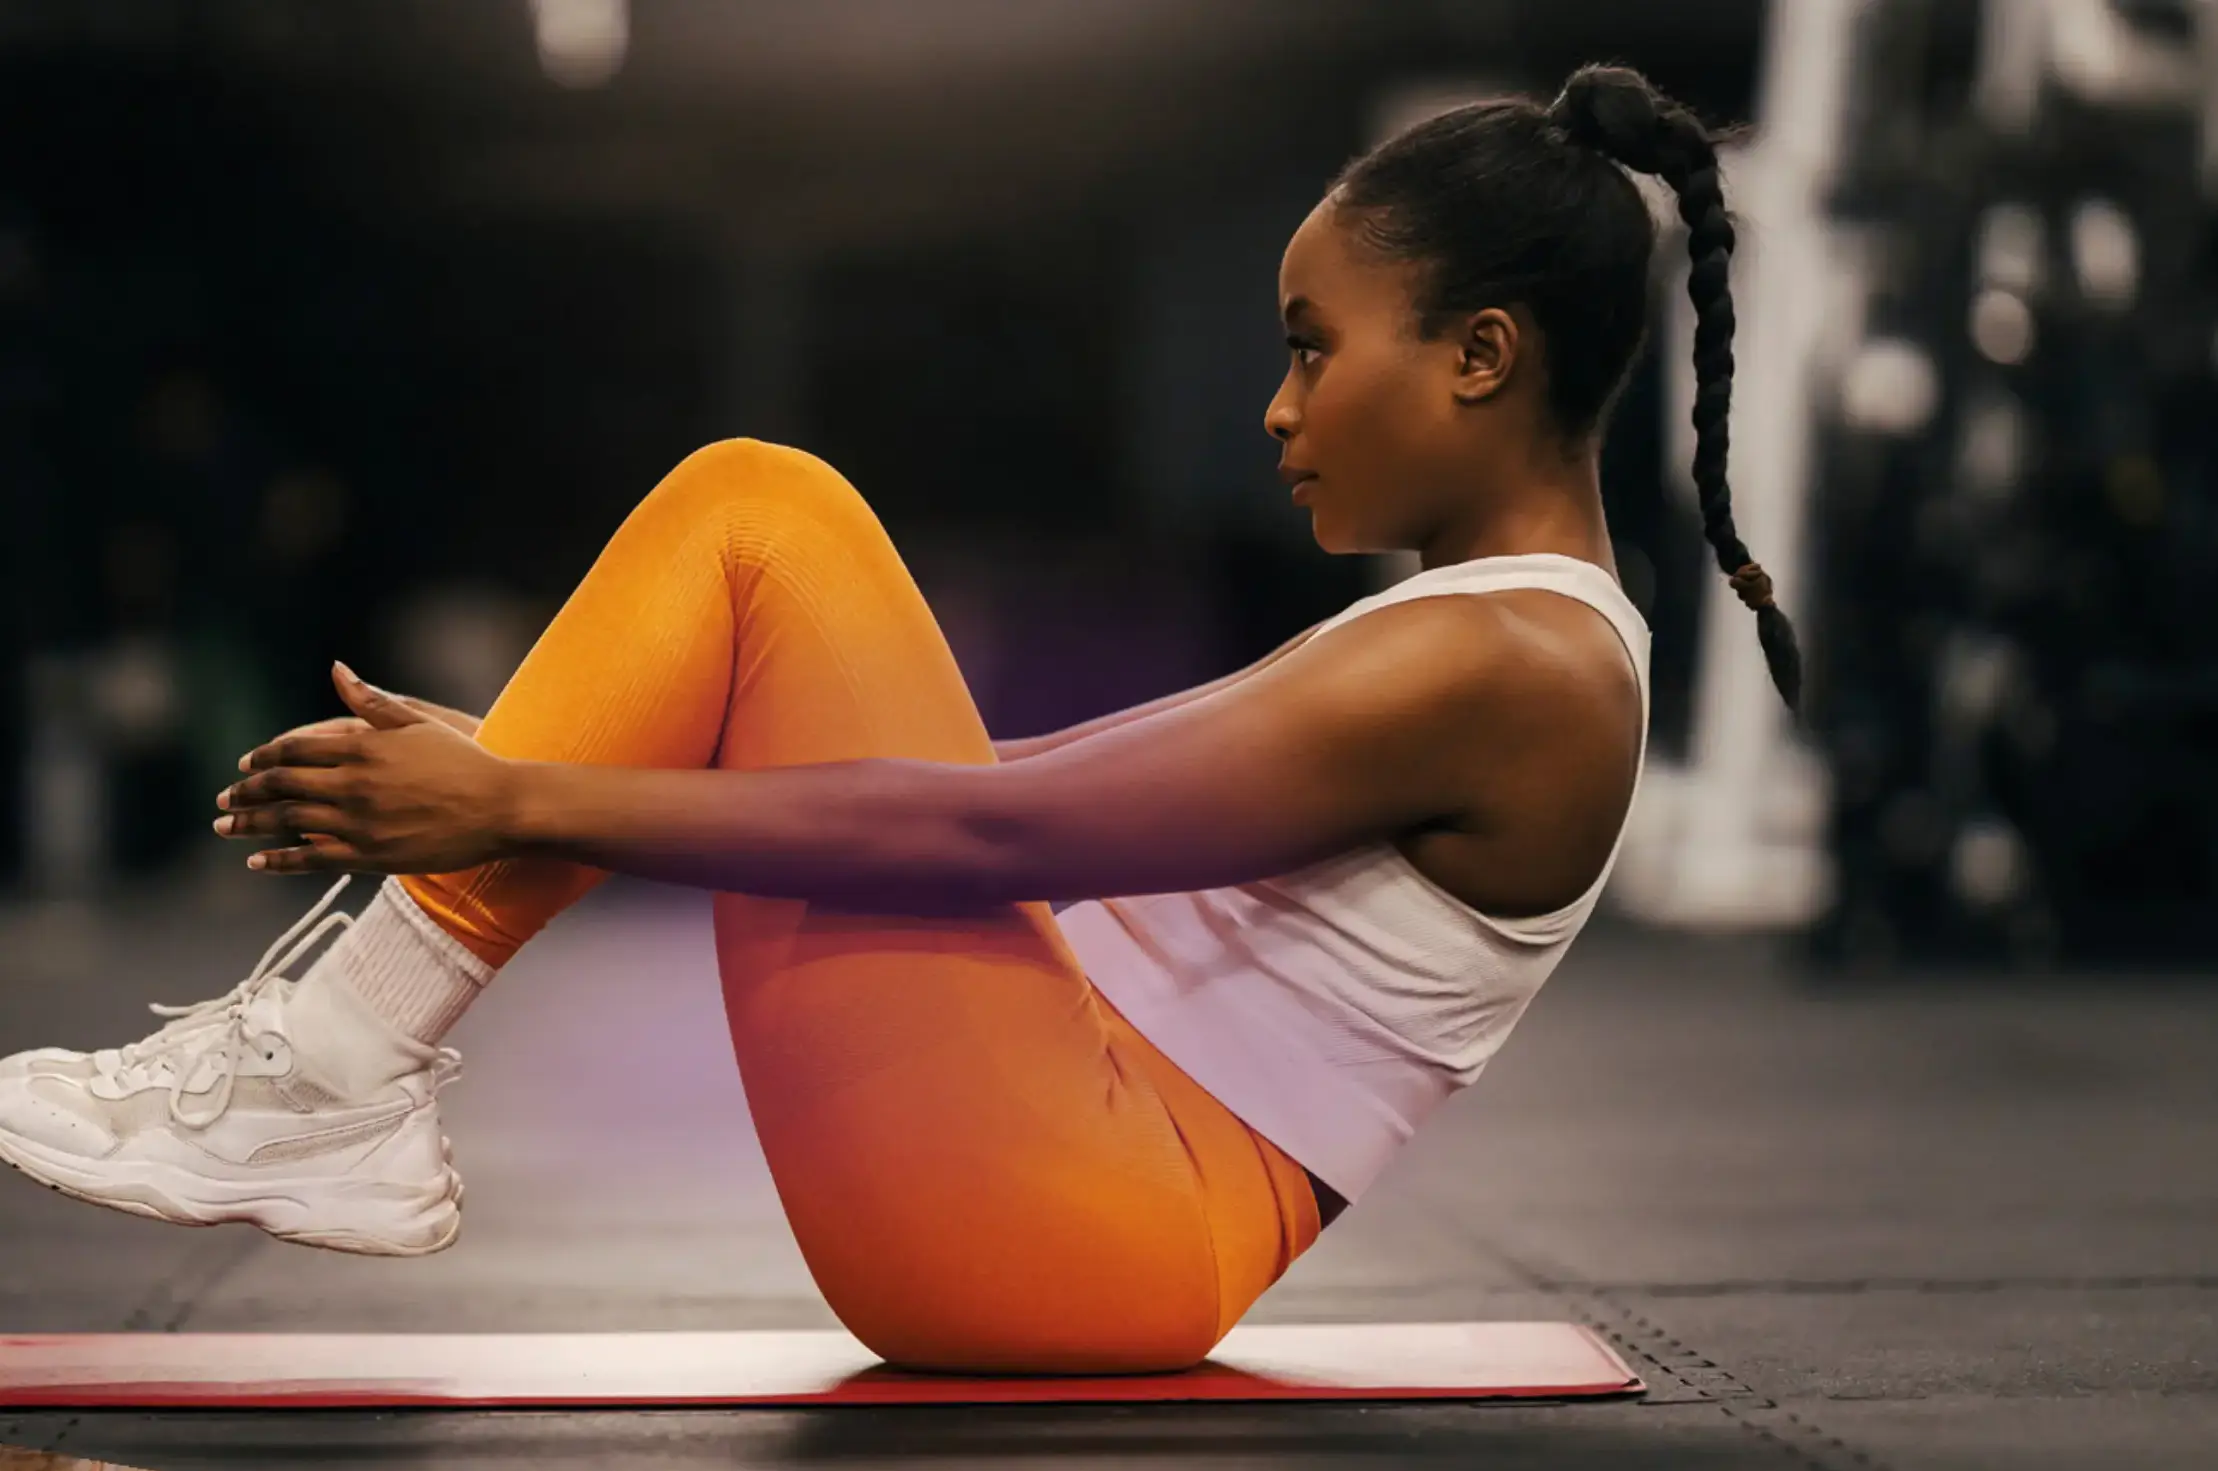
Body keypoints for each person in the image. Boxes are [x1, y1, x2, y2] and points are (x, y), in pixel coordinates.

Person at [0, 65, 1800, 1375]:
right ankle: (333, 1065)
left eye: (1312, 345)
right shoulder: (1484, 636)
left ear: (1479, 356)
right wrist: (560, 759)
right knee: (750, 529)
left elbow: (983, 833)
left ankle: (332, 1068)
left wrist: (524, 802)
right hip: (1073, 1201)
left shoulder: (1510, 662)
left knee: (759, 510)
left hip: (1086, 1230)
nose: (1276, 405)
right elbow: (1022, 785)